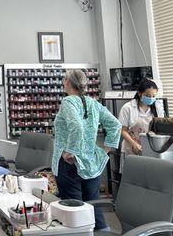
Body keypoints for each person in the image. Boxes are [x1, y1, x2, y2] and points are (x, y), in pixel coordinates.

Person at [52, 69, 122, 231]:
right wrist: (107, 149)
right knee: (93, 207)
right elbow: (115, 125)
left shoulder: (68, 102)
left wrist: (71, 151)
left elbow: (76, 126)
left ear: (68, 82)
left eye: (64, 80)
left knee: (75, 212)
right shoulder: (93, 103)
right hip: (91, 163)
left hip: (70, 164)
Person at [118, 79, 165, 169]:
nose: (151, 98)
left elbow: (161, 127)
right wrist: (134, 144)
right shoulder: (128, 108)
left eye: (153, 96)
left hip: (152, 148)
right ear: (140, 94)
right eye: (148, 95)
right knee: (134, 178)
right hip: (132, 148)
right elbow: (122, 130)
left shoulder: (157, 107)